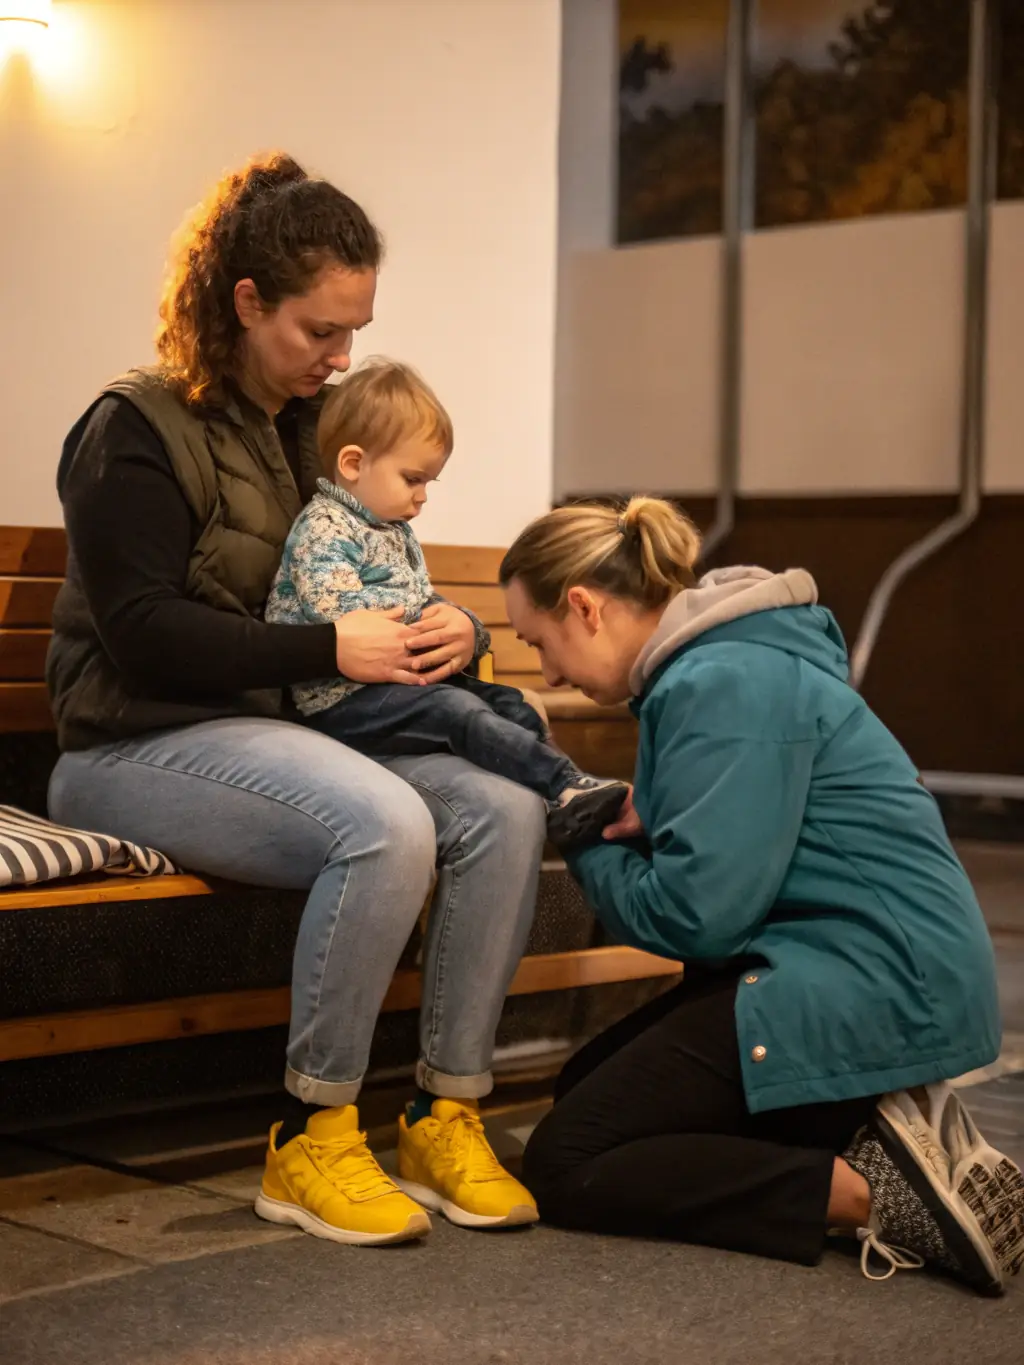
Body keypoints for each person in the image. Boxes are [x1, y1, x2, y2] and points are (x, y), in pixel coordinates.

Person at [46, 152, 541, 1246]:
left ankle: (443, 1111)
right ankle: (310, 1135)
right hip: (131, 744)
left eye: (354, 331)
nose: (341, 356)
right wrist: (328, 642)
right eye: (321, 331)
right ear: (246, 302)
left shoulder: (313, 435)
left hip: (288, 732)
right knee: (386, 825)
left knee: (504, 812)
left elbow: (375, 584)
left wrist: (455, 635)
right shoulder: (132, 426)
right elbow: (138, 633)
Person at [499, 495, 1024, 1293]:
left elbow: (699, 919)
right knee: (586, 1095)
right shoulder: (724, 663)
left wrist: (582, 842)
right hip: (862, 968)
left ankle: (866, 1188)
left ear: (584, 606)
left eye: (541, 642)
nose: (548, 673)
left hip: (872, 982)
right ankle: (870, 1120)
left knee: (569, 1159)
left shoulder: (718, 683)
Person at [265, 356, 628, 847]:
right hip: (342, 701)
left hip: (402, 685)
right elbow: (340, 615)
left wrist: (464, 627)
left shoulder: (394, 533)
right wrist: (416, 635)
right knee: (460, 712)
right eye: (413, 479)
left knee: (513, 703)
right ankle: (561, 786)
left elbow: (422, 599)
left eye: (428, 483)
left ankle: (558, 799)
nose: (422, 497)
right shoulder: (324, 528)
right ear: (353, 464)